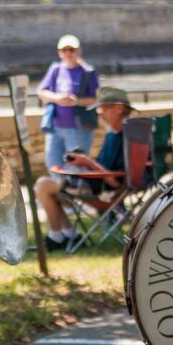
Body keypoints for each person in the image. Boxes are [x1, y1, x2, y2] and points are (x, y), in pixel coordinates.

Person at [35, 88, 133, 251]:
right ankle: (69, 235)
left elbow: (115, 182)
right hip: (95, 186)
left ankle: (56, 236)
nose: (99, 113)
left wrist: (87, 162)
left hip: (104, 192)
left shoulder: (124, 137)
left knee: (43, 185)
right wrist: (83, 162)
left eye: (102, 108)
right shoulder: (114, 135)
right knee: (52, 191)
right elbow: (104, 168)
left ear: (118, 108)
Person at [36, 34, 98, 170]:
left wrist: (76, 101)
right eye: (64, 50)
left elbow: (96, 99)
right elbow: (41, 92)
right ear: (59, 53)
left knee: (76, 167)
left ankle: (75, 190)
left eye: (71, 50)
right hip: (56, 127)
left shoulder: (88, 72)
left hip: (79, 129)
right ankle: (58, 189)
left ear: (78, 51)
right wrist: (57, 98)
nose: (68, 53)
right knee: (53, 164)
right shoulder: (56, 70)